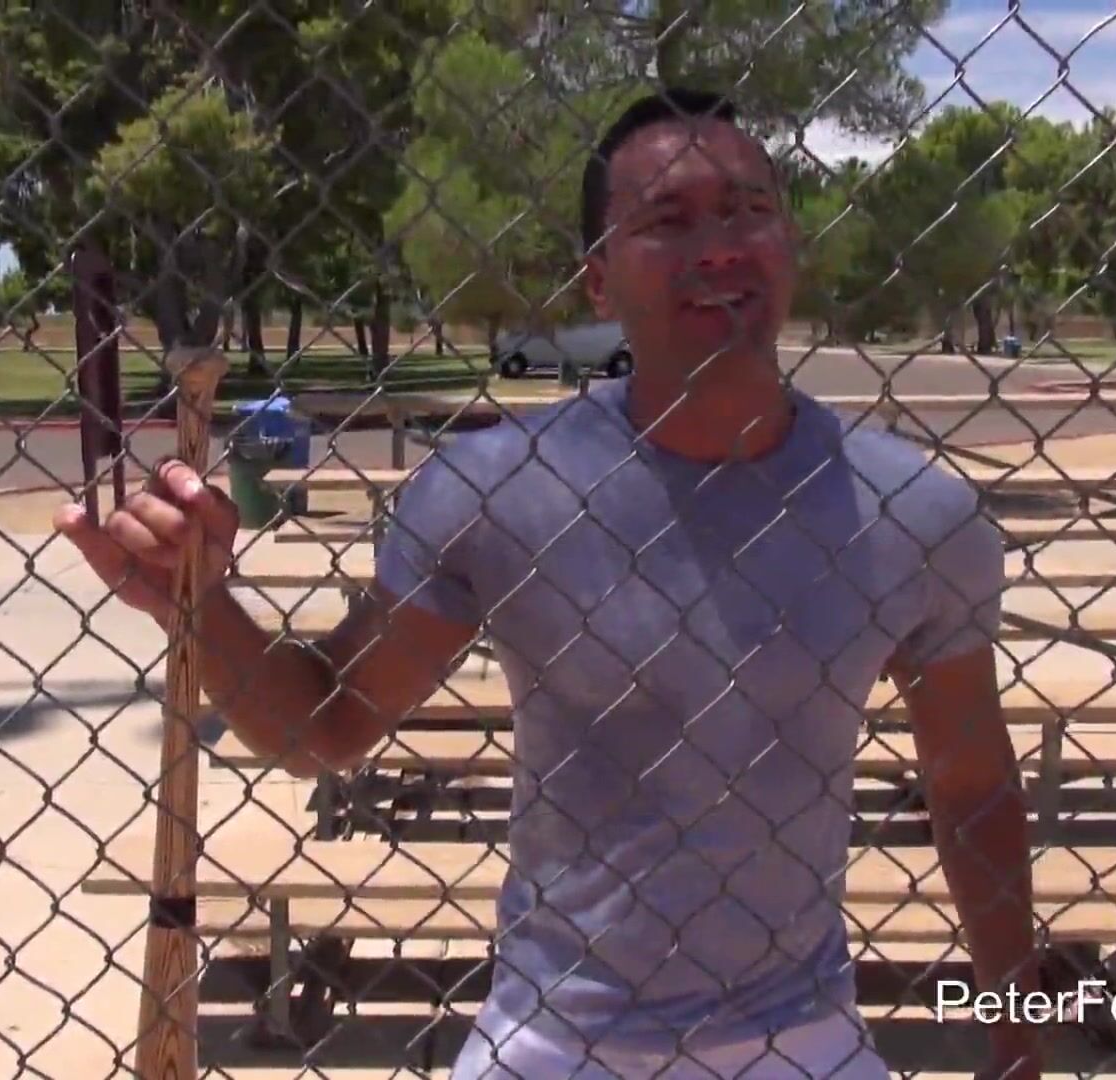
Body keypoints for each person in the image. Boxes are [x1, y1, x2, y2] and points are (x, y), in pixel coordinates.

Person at [55, 87, 1040, 1080]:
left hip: (807, 1037)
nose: (719, 248)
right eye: (668, 220)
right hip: (553, 1039)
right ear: (599, 282)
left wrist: (1019, 1039)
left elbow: (972, 786)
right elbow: (324, 728)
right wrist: (196, 604)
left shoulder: (914, 512)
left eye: (749, 211)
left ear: (789, 247)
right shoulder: (499, 488)